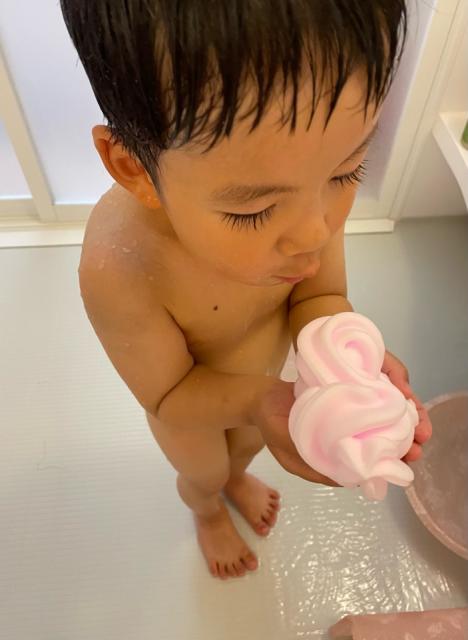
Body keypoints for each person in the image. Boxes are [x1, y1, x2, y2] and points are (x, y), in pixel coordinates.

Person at [60, 0, 432, 580]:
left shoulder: (303, 202)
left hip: (266, 378)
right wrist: (261, 401)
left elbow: (319, 298)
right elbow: (168, 394)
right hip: (190, 407)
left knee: (246, 450)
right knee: (206, 469)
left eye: (347, 172)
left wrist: (346, 366)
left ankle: (237, 477)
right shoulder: (122, 266)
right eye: (253, 211)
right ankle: (208, 510)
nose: (315, 232)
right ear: (135, 169)